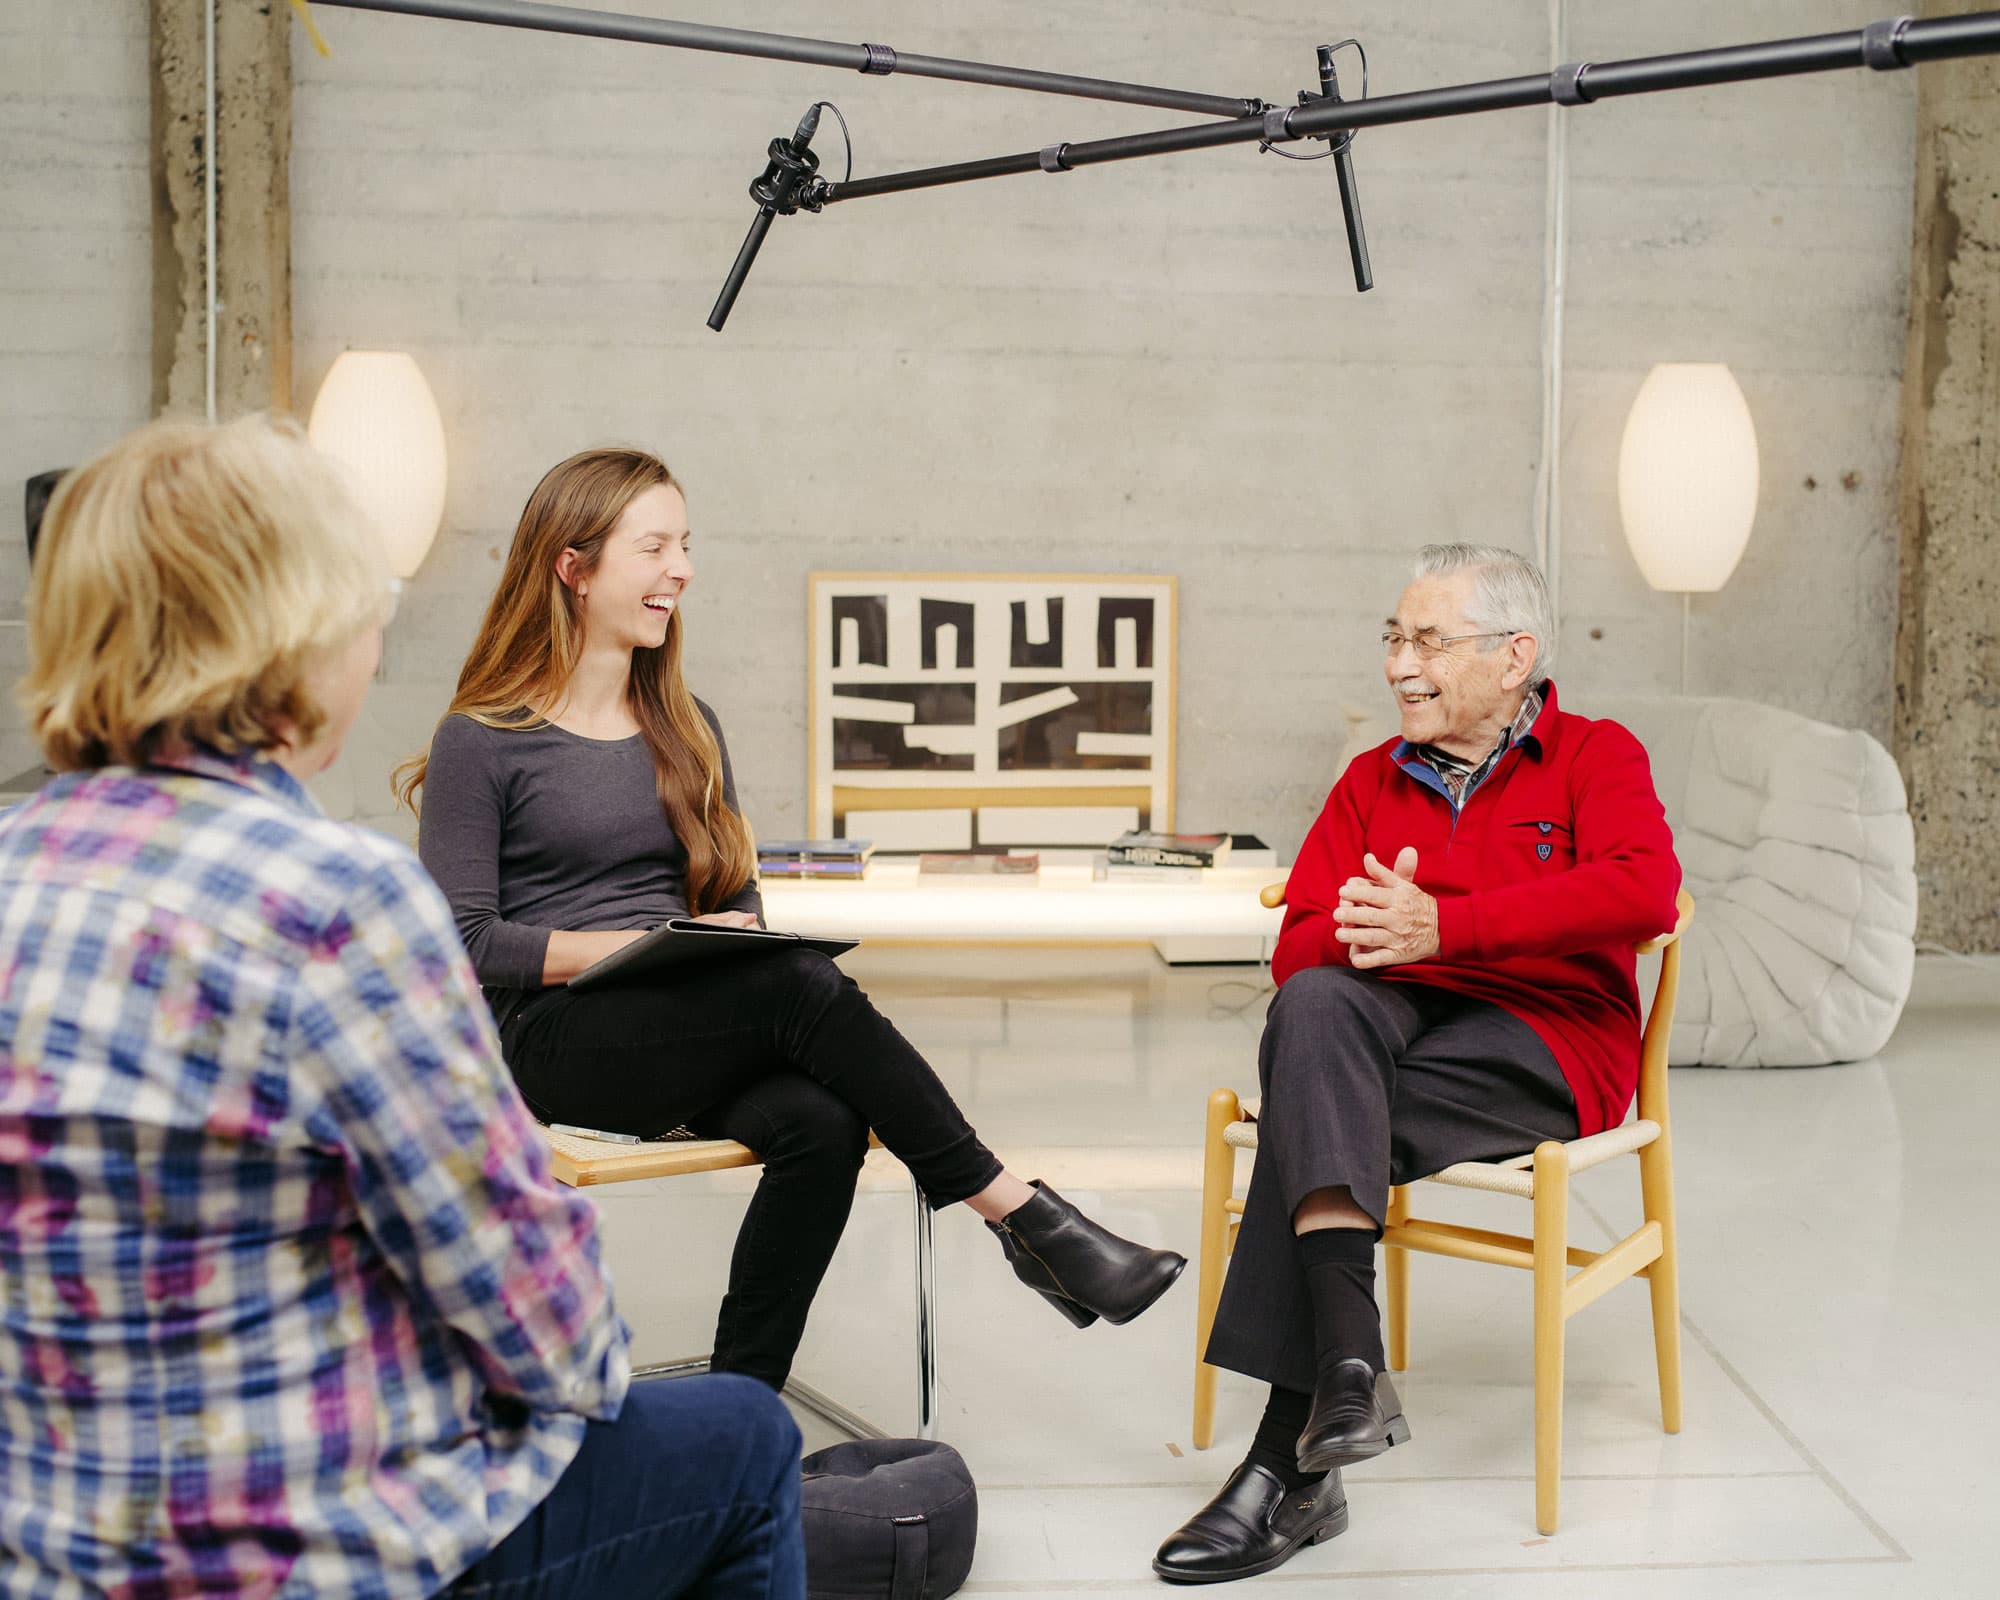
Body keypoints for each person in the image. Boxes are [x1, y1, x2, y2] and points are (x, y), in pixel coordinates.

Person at [0, 415, 804, 1599]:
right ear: (297, 634)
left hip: (49, 1544)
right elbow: (551, 1326)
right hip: (310, 1553)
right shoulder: (336, 900)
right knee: (745, 1437)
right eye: (365, 601)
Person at [402, 445, 1186, 1395]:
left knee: (823, 1118)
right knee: (794, 983)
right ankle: (1019, 1215)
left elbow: (733, 904)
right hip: (547, 1043)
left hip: (675, 1028)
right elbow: (465, 947)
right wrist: (652, 951)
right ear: (573, 567)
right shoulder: (482, 737)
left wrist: (714, 944)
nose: (680, 569)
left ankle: (741, 1404)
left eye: (684, 545)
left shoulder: (689, 725)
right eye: (654, 547)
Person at [1153, 543, 1681, 1584]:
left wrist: (1449, 927)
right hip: (1389, 1026)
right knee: (1311, 1007)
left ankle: (1282, 1464)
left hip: (1543, 1039)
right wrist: (1366, 932)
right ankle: (1344, 1367)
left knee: (1313, 1115)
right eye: (1393, 638)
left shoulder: (1592, 754)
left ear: (1512, 656)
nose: (1400, 663)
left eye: (1428, 641)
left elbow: (1643, 893)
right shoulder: (1365, 782)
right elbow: (1296, 945)